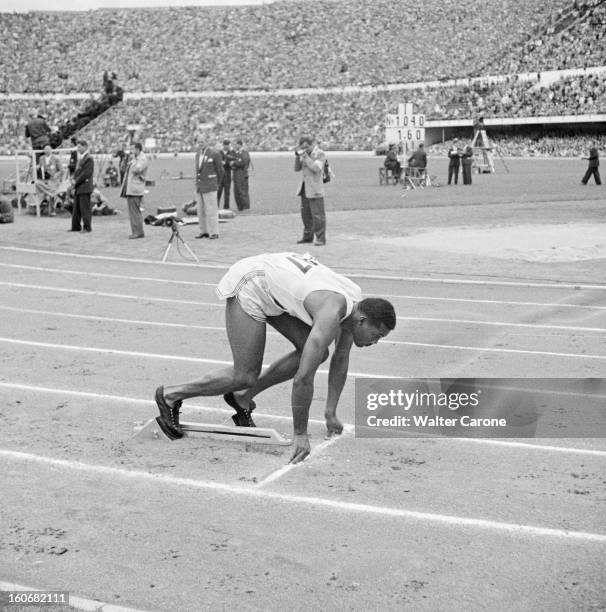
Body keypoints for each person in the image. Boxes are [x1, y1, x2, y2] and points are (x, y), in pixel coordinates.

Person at [154, 252, 396, 463]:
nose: (376, 342)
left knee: (319, 352)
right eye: (377, 335)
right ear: (363, 321)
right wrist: (300, 433)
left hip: (276, 288)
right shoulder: (332, 312)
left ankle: (242, 399)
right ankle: (170, 395)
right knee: (244, 375)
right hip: (251, 282)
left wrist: (330, 412)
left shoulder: (355, 305)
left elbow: (340, 359)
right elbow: (303, 379)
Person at [295, 136, 327, 246]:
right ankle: (307, 236)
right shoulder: (304, 154)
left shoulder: (319, 153)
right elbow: (296, 169)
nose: (305, 149)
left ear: (311, 144)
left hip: (315, 188)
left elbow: (316, 168)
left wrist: (305, 157)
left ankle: (321, 238)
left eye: (307, 146)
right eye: (302, 146)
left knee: (318, 215)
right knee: (305, 215)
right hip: (304, 188)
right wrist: (296, 157)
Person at [194, 133, 223, 239]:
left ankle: (214, 232)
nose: (200, 144)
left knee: (211, 210)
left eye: (202, 142)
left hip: (210, 186)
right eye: (199, 142)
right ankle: (203, 231)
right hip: (200, 186)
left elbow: (220, 171)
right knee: (200, 210)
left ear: (207, 142)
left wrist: (216, 183)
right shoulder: (198, 154)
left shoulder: (214, 154)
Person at [120, 141, 148, 239]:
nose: (131, 151)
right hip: (131, 188)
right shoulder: (135, 159)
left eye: (133, 149)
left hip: (136, 189)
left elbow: (137, 169)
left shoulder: (142, 159)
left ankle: (138, 232)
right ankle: (136, 231)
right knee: (132, 211)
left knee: (135, 211)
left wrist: (133, 161)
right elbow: (123, 168)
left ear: (138, 149)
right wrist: (126, 160)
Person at [69, 139, 94, 232]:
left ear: (85, 146)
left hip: (84, 186)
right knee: (76, 208)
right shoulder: (82, 158)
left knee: (85, 209)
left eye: (79, 147)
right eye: (77, 147)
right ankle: (75, 226)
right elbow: (78, 172)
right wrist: (73, 179)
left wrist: (75, 181)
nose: (78, 149)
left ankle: (87, 227)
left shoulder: (89, 158)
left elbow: (85, 174)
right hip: (79, 186)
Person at [37, 144, 63, 216]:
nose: (47, 151)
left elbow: (61, 171)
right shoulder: (41, 158)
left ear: (51, 150)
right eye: (46, 149)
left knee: (52, 187)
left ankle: (51, 207)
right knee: (37, 183)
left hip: (53, 180)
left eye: (48, 149)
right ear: (44, 151)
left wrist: (56, 175)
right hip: (43, 180)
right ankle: (49, 195)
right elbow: (40, 168)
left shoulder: (56, 159)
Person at [232, 139, 251, 211]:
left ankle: (246, 207)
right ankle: (240, 207)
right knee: (236, 192)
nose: (234, 146)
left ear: (239, 144)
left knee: (243, 191)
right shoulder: (237, 153)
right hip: (236, 174)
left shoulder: (244, 152)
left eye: (235, 144)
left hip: (242, 174)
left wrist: (234, 163)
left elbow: (242, 162)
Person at [217, 139, 236, 209]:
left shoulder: (231, 153)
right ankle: (216, 207)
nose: (227, 146)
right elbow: (217, 162)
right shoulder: (219, 153)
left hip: (227, 175)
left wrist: (226, 162)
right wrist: (222, 162)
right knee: (218, 192)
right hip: (220, 175)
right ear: (223, 145)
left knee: (227, 193)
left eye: (228, 145)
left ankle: (226, 207)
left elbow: (233, 161)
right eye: (226, 145)